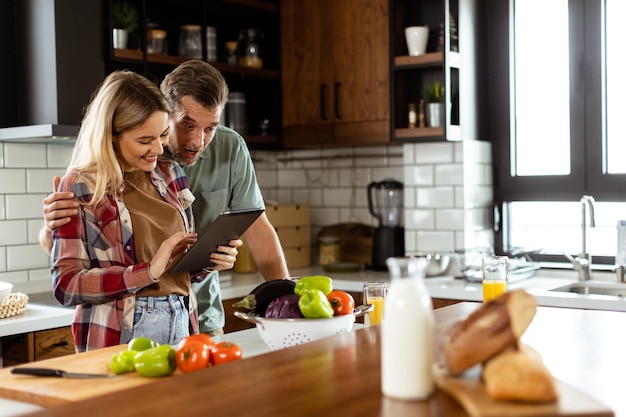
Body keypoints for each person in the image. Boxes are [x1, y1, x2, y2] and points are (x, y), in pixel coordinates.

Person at [40, 60, 290, 336]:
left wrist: (286, 301)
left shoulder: (174, 171)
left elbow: (255, 228)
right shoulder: (94, 176)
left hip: (195, 315)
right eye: (187, 125)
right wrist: (54, 226)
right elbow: (68, 266)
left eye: (210, 128)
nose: (197, 141)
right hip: (120, 326)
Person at [49, 70, 238, 352]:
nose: (158, 148)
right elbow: (66, 284)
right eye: (145, 140)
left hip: (183, 319)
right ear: (111, 135)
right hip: (121, 331)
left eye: (162, 136)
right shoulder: (82, 185)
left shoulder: (169, 172)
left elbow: (175, 271)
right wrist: (148, 271)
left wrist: (207, 261)